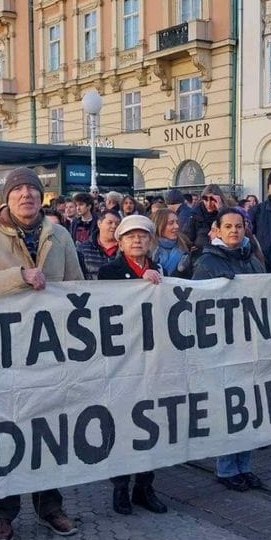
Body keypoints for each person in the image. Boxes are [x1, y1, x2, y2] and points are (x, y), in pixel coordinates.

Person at [0, 168, 82, 540]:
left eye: (33, 188)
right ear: (6, 199)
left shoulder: (59, 234)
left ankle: (50, 507)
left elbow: (79, 286)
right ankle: (2, 513)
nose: (26, 195)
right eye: (18, 190)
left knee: (49, 429)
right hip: (5, 351)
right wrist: (17, 276)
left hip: (50, 349)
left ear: (42, 196)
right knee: (7, 429)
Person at [95, 215, 169, 516]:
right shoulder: (109, 271)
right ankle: (120, 486)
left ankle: (145, 485)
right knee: (124, 423)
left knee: (152, 422)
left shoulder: (160, 270)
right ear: (121, 242)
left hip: (153, 358)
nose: (137, 241)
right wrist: (141, 285)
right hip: (123, 360)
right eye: (130, 237)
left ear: (150, 241)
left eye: (142, 236)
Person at [192, 207, 266, 491]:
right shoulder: (208, 263)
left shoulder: (253, 260)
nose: (234, 231)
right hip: (223, 347)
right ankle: (226, 468)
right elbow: (196, 302)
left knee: (249, 407)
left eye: (239, 226)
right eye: (229, 226)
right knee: (229, 408)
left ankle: (244, 465)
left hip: (250, 344)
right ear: (218, 230)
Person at [183, 184, 225, 260]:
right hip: (199, 256)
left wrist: (221, 210)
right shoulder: (196, 213)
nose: (208, 204)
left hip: (221, 256)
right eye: (205, 199)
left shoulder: (225, 212)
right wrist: (188, 247)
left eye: (212, 199)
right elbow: (186, 236)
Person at [77, 210, 121, 280]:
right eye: (110, 223)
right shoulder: (83, 249)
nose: (114, 226)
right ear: (99, 223)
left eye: (117, 224)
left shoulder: (125, 249)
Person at [153, 208, 192, 278]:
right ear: (159, 226)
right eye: (171, 223)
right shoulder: (148, 249)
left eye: (177, 222)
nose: (177, 226)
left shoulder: (185, 245)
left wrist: (180, 272)